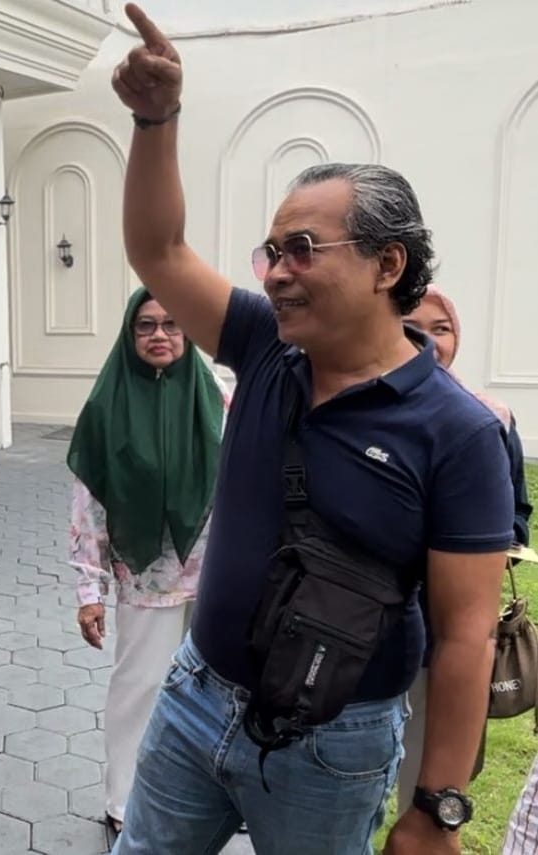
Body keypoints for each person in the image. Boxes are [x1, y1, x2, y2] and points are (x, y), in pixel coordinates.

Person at [109, 6, 514, 855]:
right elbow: (159, 250)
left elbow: (464, 634)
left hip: (334, 743)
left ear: (386, 263)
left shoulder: (458, 431)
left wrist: (434, 807)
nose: (274, 273)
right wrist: (155, 120)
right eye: (270, 253)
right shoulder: (263, 344)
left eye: (300, 248)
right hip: (194, 699)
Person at [66, 287, 227, 836]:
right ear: (130, 334)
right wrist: (89, 591)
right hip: (147, 577)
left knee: (217, 690)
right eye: (146, 325)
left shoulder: (218, 399)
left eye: (171, 324)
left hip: (217, 577)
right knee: (140, 687)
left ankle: (211, 800)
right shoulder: (106, 406)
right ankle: (124, 802)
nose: (159, 335)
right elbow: (89, 506)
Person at [396, 285, 532, 816]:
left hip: (448, 634)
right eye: (414, 327)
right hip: (369, 632)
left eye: (442, 329)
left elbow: (518, 513)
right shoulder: (367, 415)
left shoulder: (490, 419)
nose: (430, 341)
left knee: (423, 773)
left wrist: (483, 542)